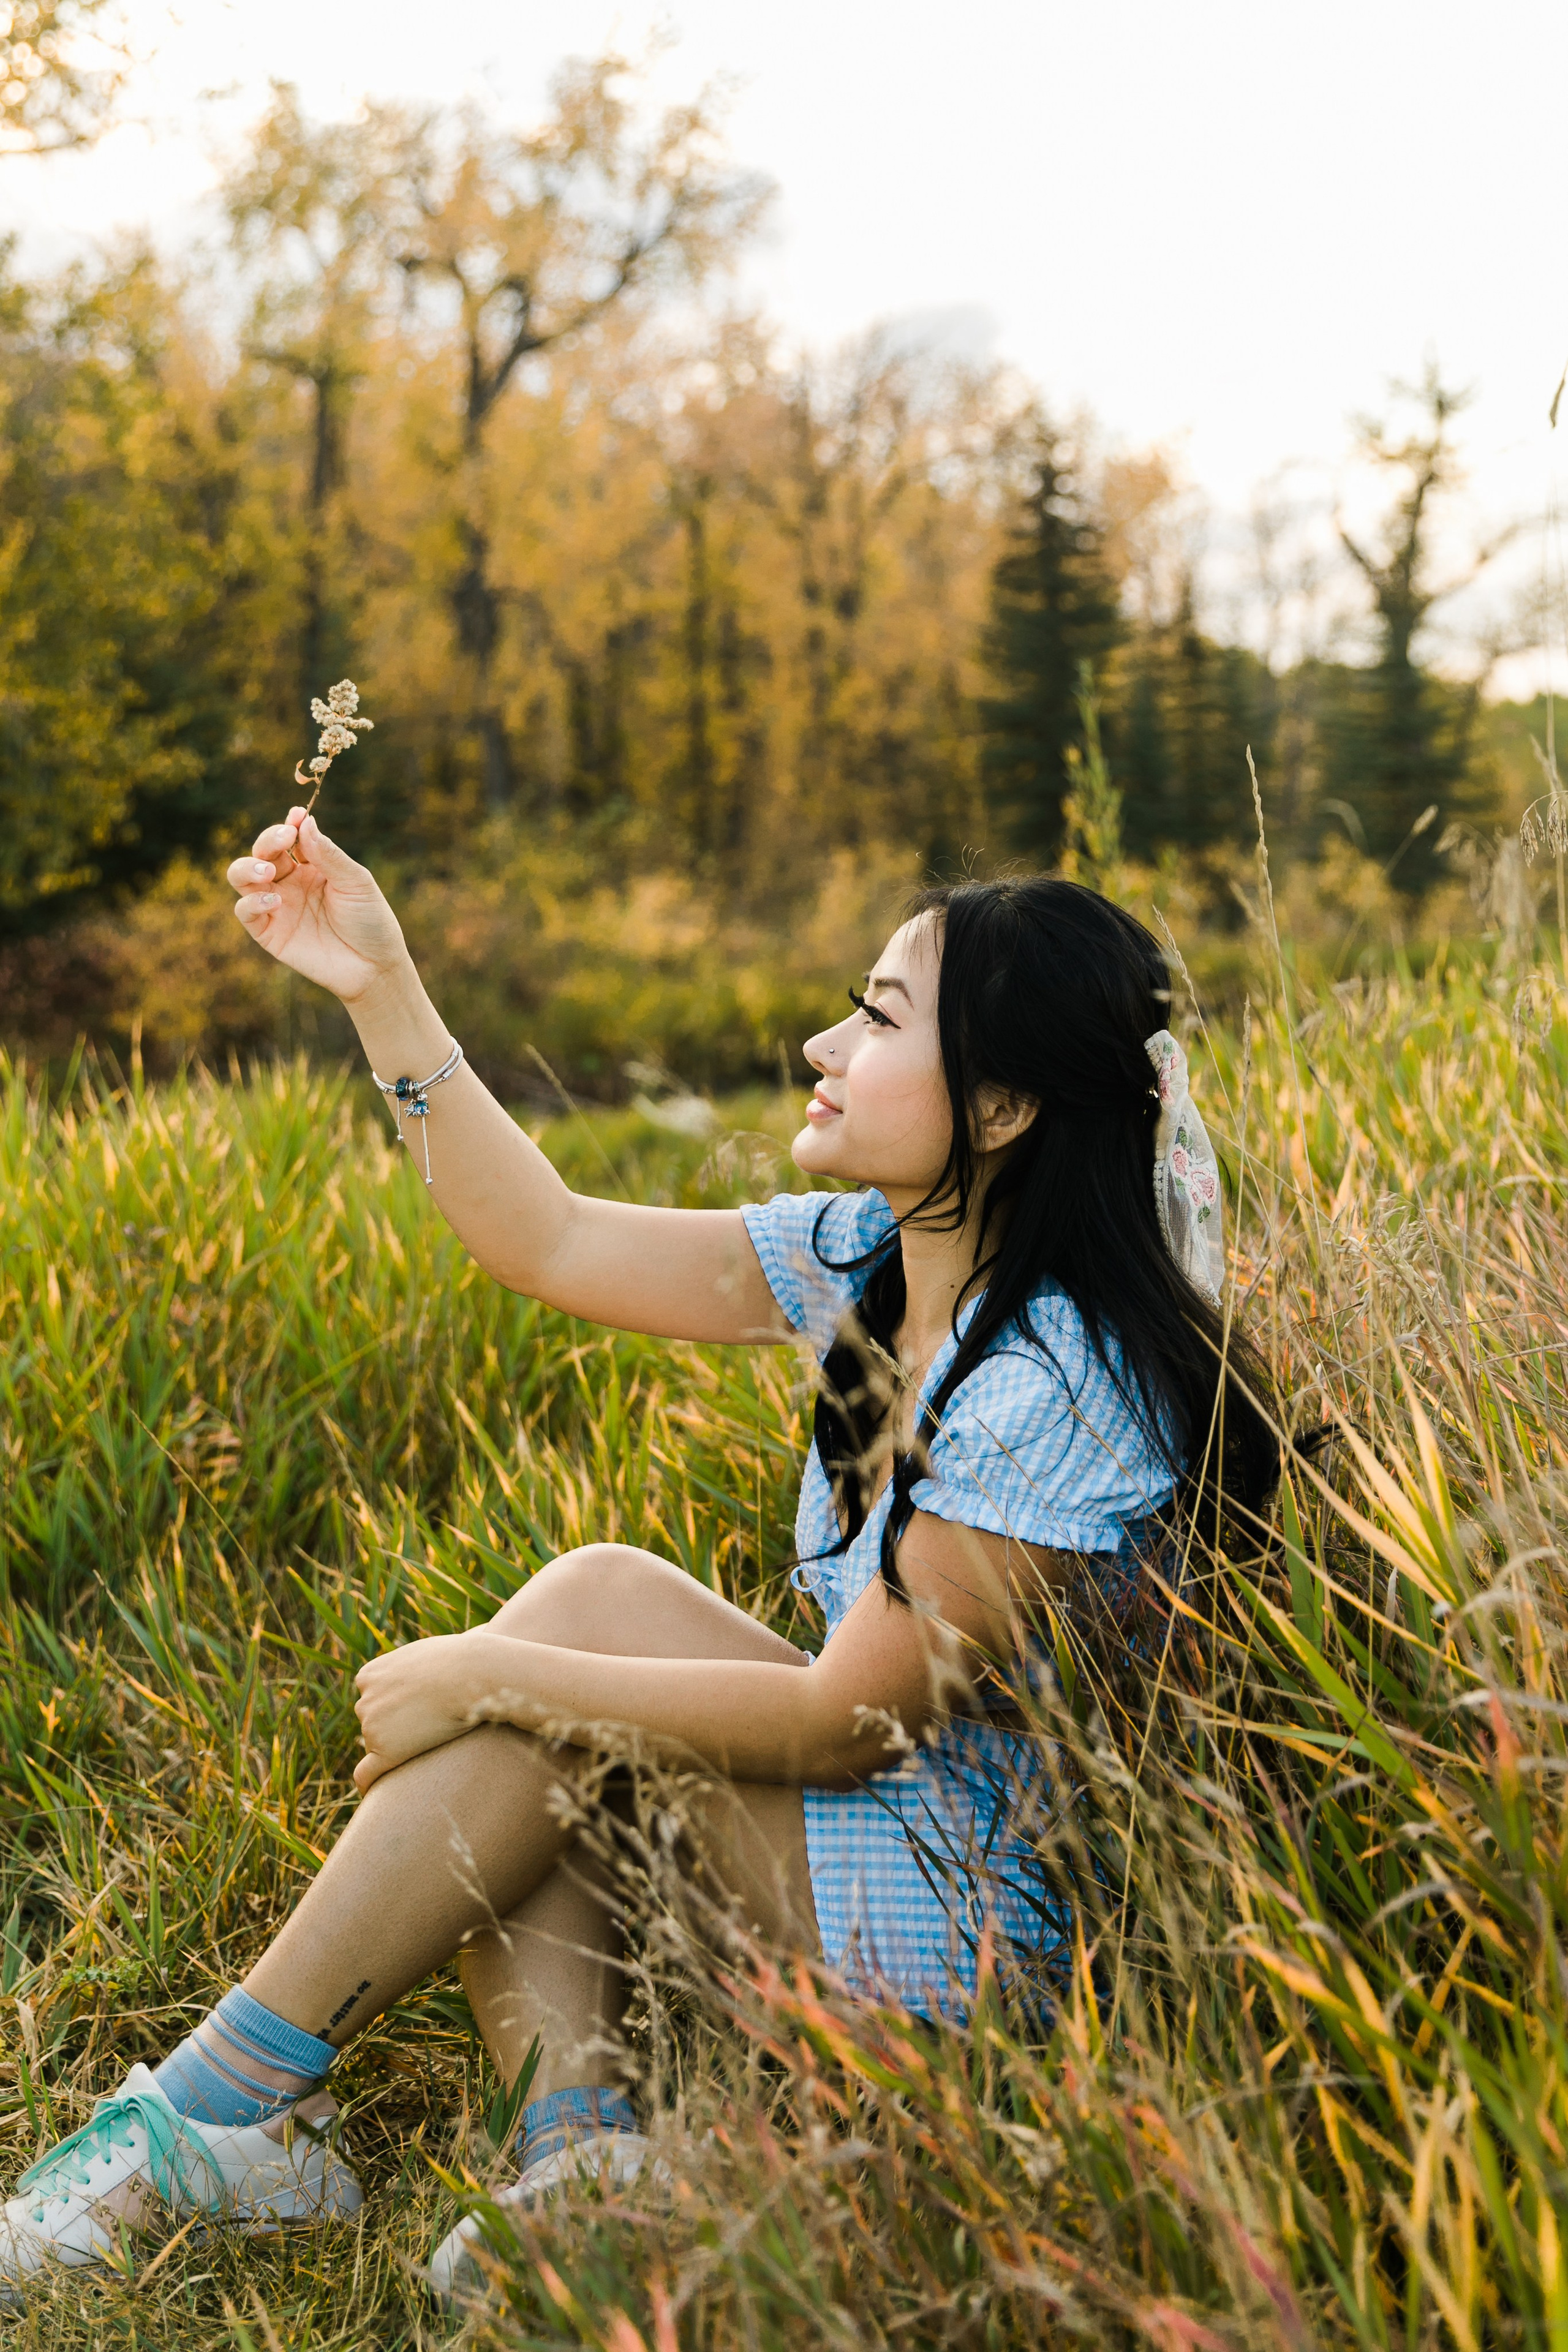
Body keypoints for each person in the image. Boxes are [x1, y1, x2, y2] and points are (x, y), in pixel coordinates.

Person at [0, 809, 1277, 2305]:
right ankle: (573, 2162)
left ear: (999, 1108)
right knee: (588, 1613)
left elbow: (843, 1721)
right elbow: (546, 1240)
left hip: (989, 1959)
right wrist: (379, 984)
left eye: (877, 1020)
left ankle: (211, 2119)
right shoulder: (874, 1261)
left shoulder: (1053, 1380)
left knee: (555, 1665)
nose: (819, 1044)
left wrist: (488, 1676)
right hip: (876, 1860)